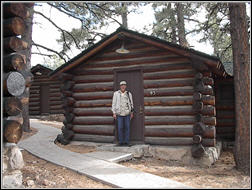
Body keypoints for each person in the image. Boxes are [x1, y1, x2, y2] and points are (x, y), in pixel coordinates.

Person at [112, 81, 134, 146]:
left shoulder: (129, 94)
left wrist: (132, 112)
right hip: (119, 114)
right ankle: (121, 142)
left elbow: (131, 103)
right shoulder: (116, 94)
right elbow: (113, 104)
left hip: (127, 113)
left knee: (127, 128)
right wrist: (114, 113)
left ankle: (127, 142)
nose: (123, 86)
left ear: (126, 86)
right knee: (120, 128)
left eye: (124, 85)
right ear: (120, 86)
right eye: (122, 85)